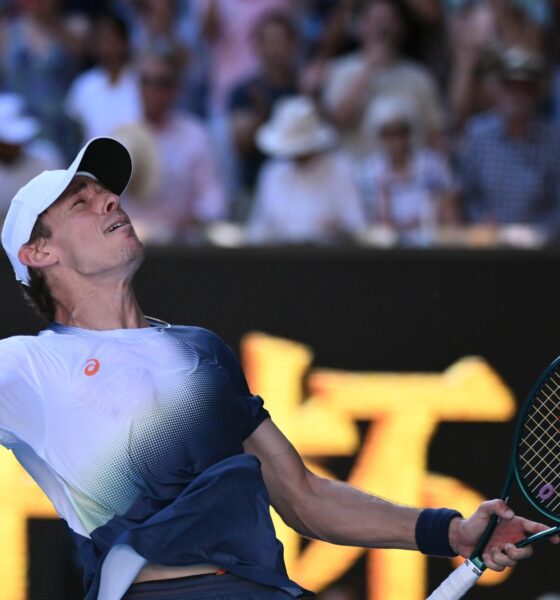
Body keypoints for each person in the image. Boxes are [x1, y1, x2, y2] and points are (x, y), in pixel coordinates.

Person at [0, 137, 555, 599]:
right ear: (38, 253)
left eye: (107, 195)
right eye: (81, 203)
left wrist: (452, 532)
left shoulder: (201, 351)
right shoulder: (29, 369)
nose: (110, 203)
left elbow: (303, 496)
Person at [121, 52, 226, 242]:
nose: (153, 90)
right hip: (123, 247)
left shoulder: (196, 136)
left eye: (161, 83)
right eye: (146, 81)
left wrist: (190, 221)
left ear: (175, 90)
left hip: (178, 246)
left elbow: (213, 199)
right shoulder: (116, 135)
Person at [319, 0, 444, 158]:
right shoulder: (339, 70)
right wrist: (369, 68)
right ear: (359, 26)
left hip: (411, 178)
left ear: (401, 28)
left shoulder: (419, 77)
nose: (382, 29)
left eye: (388, 21)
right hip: (357, 175)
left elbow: (435, 134)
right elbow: (339, 121)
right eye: (375, 21)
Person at [458, 46, 560, 229]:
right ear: (500, 89)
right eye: (511, 87)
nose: (517, 96)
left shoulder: (554, 140)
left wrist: (537, 232)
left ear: (536, 93)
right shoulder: (478, 133)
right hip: (488, 244)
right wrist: (480, 219)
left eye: (525, 89)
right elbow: (467, 194)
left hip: (539, 248)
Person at [246, 96, 366, 245]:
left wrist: (335, 231)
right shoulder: (272, 173)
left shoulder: (340, 169)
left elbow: (357, 226)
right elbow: (258, 229)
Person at [360, 94, 458, 245]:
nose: (396, 141)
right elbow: (374, 227)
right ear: (378, 136)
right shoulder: (369, 171)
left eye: (401, 132)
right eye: (388, 134)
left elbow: (450, 214)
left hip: (433, 247)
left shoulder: (432, 164)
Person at [64, 11, 143, 142]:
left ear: (125, 42)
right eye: (102, 41)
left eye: (113, 40)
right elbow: (75, 129)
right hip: (92, 159)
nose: (108, 48)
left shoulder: (141, 82)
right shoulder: (84, 84)